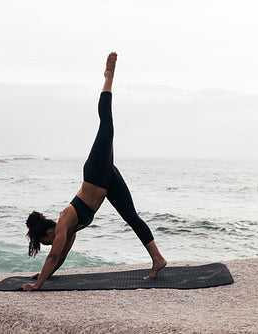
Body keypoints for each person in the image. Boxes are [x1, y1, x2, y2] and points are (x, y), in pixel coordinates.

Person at [23, 52, 167, 291]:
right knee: (131, 217)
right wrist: (45, 276)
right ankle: (158, 259)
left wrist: (38, 285)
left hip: (95, 173)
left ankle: (109, 75)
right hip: (106, 180)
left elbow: (53, 256)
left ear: (49, 232)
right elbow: (59, 258)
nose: (50, 245)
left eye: (47, 242)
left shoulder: (64, 221)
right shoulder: (69, 232)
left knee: (106, 122)